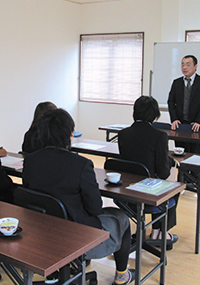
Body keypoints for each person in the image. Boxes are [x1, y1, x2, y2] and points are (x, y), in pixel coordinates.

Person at [22, 108, 135, 285]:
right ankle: (122, 276)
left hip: (40, 233)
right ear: (70, 134)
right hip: (77, 237)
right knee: (122, 218)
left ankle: (71, 267)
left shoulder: (30, 161)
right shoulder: (80, 164)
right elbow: (95, 208)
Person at [118, 95, 179, 248]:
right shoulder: (159, 136)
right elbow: (164, 172)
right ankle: (160, 232)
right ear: (154, 115)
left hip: (126, 192)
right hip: (147, 193)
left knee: (155, 181)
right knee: (173, 187)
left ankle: (156, 231)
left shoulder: (123, 134)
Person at [167, 55, 200, 154]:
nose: (184, 67)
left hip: (196, 125)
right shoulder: (177, 82)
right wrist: (174, 119)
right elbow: (171, 102)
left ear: (195, 66)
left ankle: (195, 170)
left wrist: (199, 121)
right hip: (180, 125)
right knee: (180, 153)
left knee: (194, 154)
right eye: (182, 65)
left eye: (188, 64)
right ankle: (182, 170)